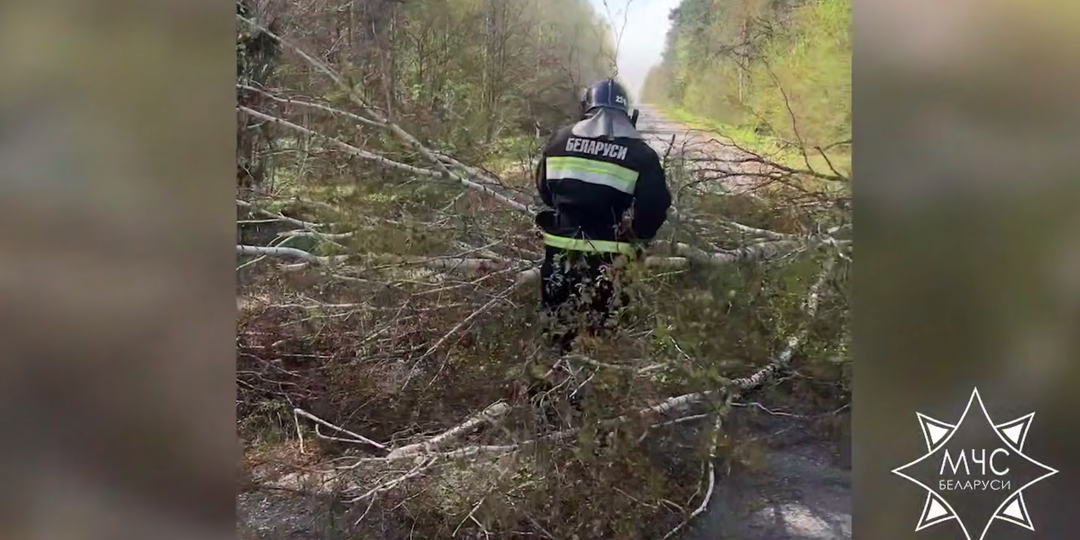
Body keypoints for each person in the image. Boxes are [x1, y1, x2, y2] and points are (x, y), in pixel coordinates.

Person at [533, 78, 672, 355]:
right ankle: (597, 384)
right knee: (603, 334)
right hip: (610, 258)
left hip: (560, 252)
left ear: (587, 108)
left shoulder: (559, 140)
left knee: (555, 330)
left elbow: (545, 191)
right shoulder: (641, 154)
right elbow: (655, 207)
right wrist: (638, 234)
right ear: (627, 115)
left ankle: (551, 386)